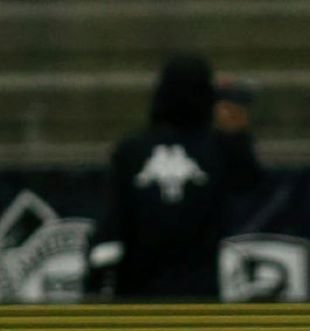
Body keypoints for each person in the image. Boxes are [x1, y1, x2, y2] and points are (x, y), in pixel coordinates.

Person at [85, 53, 263, 299]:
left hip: (136, 291)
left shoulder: (132, 150)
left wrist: (94, 280)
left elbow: (113, 220)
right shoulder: (218, 148)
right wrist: (237, 133)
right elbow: (249, 183)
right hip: (198, 291)